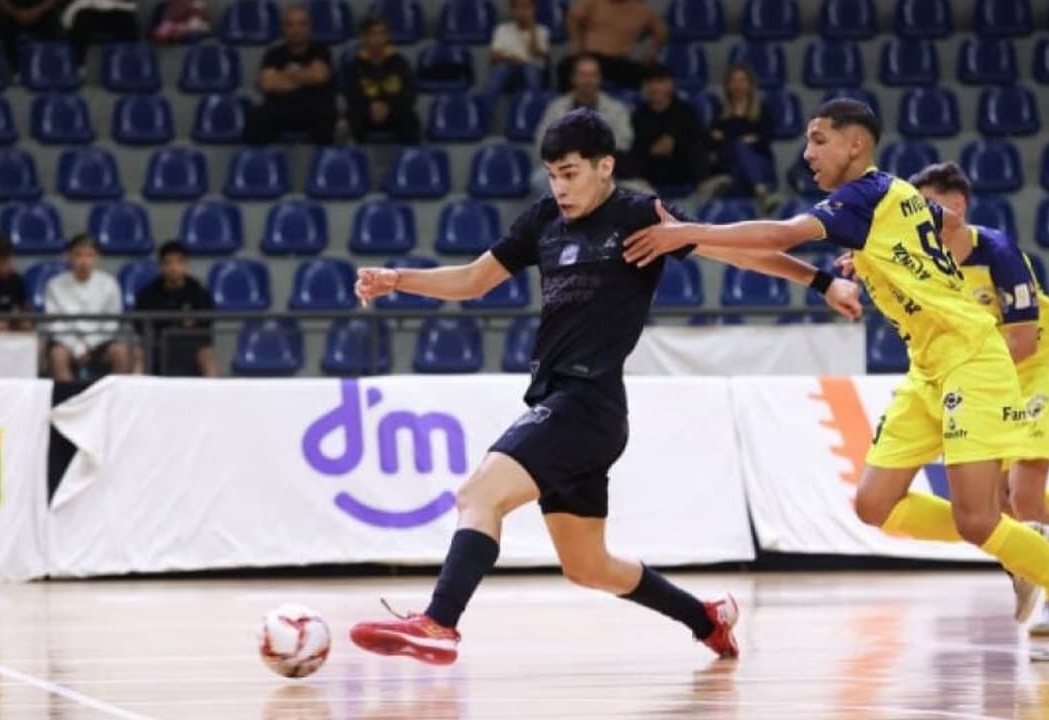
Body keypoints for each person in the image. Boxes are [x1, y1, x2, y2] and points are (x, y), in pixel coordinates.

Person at [346, 108, 863, 665]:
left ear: (604, 167)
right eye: (552, 175)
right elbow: (475, 279)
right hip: (564, 404)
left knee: (478, 496)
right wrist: (400, 279)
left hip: (586, 400)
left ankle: (439, 622)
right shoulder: (543, 220)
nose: (560, 187)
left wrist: (821, 281)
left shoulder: (640, 216)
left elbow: (732, 250)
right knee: (588, 566)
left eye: (570, 173)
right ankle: (705, 617)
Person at [621, 99, 1049, 662]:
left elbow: (782, 236)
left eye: (818, 140)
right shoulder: (893, 197)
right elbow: (949, 223)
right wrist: (886, 255)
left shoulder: (862, 195)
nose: (807, 153)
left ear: (855, 144)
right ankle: (1030, 548)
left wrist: (688, 229)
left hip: (971, 357)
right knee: (873, 505)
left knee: (978, 517)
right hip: (927, 369)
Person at [905, 161, 1049, 636]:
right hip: (988, 377)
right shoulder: (925, 260)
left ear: (957, 205)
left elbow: (1024, 342)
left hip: (1036, 370)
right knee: (1001, 503)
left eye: (927, 206)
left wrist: (965, 383)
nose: (920, 218)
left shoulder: (997, 252)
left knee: (1024, 493)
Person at [244, 5, 337, 145]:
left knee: (327, 114)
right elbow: (267, 84)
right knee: (255, 116)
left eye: (301, 24)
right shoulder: (273, 54)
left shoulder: (321, 51)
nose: (296, 30)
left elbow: (319, 76)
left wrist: (285, 76)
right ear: (284, 29)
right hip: (280, 109)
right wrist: (304, 76)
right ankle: (262, 162)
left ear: (309, 27)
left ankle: (323, 162)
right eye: (290, 25)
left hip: (312, 107)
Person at [45, 234, 131, 381]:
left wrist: (90, 343)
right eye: (78, 255)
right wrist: (76, 347)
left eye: (90, 255)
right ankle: (69, 400)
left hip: (101, 341)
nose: (84, 261)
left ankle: (114, 401)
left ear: (97, 258)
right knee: (58, 355)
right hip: (66, 342)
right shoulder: (54, 284)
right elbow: (55, 323)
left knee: (120, 352)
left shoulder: (109, 283)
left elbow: (111, 323)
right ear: (69, 257)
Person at [133, 241, 216, 377]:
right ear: (161, 266)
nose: (174, 267)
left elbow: (207, 323)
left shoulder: (198, 292)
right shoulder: (148, 293)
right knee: (139, 355)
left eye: (179, 262)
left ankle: (214, 396)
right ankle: (133, 396)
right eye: (168, 263)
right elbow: (139, 323)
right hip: (157, 345)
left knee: (207, 355)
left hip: (191, 345)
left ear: (186, 265)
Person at [708, 63, 779, 214]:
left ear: (750, 84)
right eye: (733, 81)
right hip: (728, 163)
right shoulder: (720, 110)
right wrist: (746, 140)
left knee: (738, 166)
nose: (737, 85)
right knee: (738, 148)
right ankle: (761, 192)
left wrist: (727, 137)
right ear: (727, 85)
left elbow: (766, 140)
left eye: (742, 80)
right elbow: (712, 140)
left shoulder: (762, 110)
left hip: (759, 164)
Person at [630, 63, 707, 191]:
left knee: (696, 147)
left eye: (660, 82)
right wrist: (652, 148)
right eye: (650, 82)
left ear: (670, 85)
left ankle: (703, 187)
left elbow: (696, 137)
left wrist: (673, 141)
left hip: (681, 166)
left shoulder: (685, 111)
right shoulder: (638, 115)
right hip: (652, 169)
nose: (654, 87)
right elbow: (637, 146)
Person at [343, 15, 419, 143]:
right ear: (364, 37)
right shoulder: (355, 65)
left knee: (409, 118)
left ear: (387, 36)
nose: (378, 39)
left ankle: (408, 158)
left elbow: (409, 93)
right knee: (353, 117)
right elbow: (352, 94)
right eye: (373, 34)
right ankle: (357, 158)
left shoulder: (400, 63)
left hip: (394, 111)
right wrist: (371, 106)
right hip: (366, 112)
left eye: (382, 33)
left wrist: (388, 106)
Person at [558, 0, 665, 91]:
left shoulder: (642, 10)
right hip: (591, 57)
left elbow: (661, 32)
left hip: (620, 62)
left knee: (652, 75)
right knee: (566, 67)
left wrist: (652, 50)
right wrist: (577, 43)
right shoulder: (593, 3)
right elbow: (573, 16)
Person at [481, 0, 549, 111]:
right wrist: (510, 58)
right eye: (519, 7)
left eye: (527, 7)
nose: (523, 11)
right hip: (508, 66)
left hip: (531, 67)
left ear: (533, 9)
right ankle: (484, 122)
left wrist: (532, 28)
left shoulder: (542, 31)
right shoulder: (502, 29)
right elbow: (493, 56)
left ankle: (533, 114)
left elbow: (538, 54)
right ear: (513, 10)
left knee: (530, 72)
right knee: (498, 73)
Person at [61, 0, 141, 67]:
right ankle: (78, 67)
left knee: (126, 22)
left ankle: (127, 66)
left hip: (118, 10)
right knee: (81, 21)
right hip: (89, 9)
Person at [0, 0, 64, 67]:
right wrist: (14, 12)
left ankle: (49, 68)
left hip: (43, 13)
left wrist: (38, 10)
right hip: (9, 12)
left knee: (55, 28)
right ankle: (9, 69)